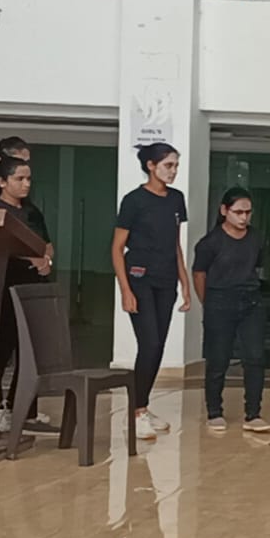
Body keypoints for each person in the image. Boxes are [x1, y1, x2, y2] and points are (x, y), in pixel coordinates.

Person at [112, 143, 192, 441]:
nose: (173, 171)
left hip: (166, 280)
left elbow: (175, 245)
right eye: (168, 165)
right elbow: (117, 248)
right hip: (139, 279)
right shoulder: (134, 200)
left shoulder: (176, 199)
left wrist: (185, 283)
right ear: (151, 165)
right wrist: (125, 289)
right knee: (149, 343)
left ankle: (142, 407)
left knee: (158, 347)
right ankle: (137, 413)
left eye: (176, 165)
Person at [0, 137, 56, 434]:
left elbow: (46, 244)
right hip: (1, 290)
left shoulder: (31, 212)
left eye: (29, 179)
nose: (26, 184)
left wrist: (46, 260)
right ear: (2, 181)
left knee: (32, 351)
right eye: (20, 179)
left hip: (32, 289)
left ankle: (24, 410)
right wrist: (30, 259)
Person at [191, 187, 270, 433]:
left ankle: (253, 413)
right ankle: (214, 412)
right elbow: (199, 274)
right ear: (224, 210)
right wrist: (208, 302)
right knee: (218, 359)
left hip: (251, 301)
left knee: (255, 357)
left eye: (248, 212)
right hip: (219, 301)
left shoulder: (256, 238)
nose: (244, 217)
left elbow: (257, 265)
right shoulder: (210, 243)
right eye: (238, 212)